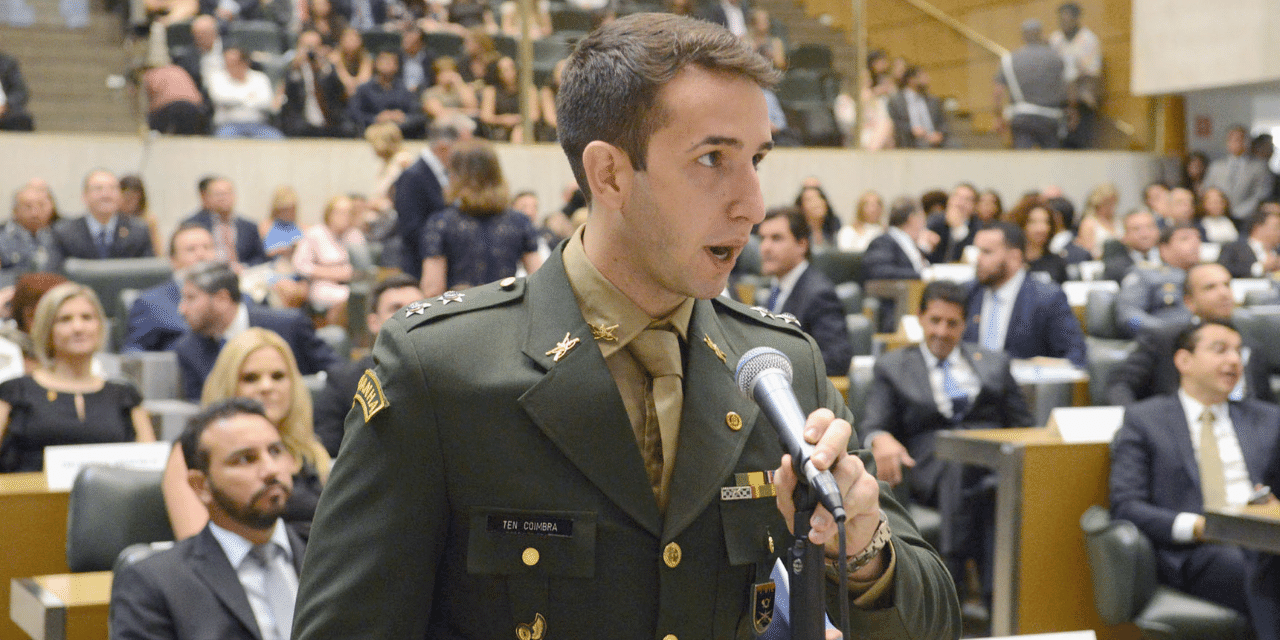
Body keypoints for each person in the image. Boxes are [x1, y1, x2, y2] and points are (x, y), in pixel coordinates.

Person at [293, 13, 960, 639]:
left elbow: (933, 618)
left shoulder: (777, 365)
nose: (753, 205)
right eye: (713, 159)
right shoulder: (443, 371)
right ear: (609, 174)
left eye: (756, 160)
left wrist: (862, 550)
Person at [860, 280, 1032, 606]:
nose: (942, 331)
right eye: (935, 320)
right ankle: (959, 585)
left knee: (992, 486)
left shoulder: (994, 363)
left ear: (965, 324)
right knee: (961, 467)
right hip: (931, 460)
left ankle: (982, 599)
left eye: (952, 323)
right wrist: (881, 439)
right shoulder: (893, 367)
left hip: (991, 457)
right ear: (920, 317)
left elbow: (1024, 424)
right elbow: (872, 424)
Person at [1109, 321, 1280, 640]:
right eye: (1220, 350)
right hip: (1195, 550)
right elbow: (1126, 506)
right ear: (1184, 360)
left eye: (1238, 351)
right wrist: (1201, 527)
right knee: (1258, 570)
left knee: (1265, 562)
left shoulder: (1269, 419)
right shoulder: (1145, 420)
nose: (1234, 360)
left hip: (1263, 538)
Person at [111, 398, 307, 640]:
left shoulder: (331, 556)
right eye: (246, 459)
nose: (271, 470)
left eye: (275, 451)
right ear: (201, 485)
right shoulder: (153, 584)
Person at [162, 328, 331, 540]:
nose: (267, 387)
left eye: (278, 376)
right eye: (251, 378)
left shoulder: (311, 449)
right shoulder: (191, 451)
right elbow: (195, 544)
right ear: (228, 385)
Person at [0, 283, 155, 472]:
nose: (78, 328)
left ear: (100, 326)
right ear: (47, 329)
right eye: (64, 319)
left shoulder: (125, 395)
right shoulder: (14, 392)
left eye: (87, 317)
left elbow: (151, 467)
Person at [1107, 263, 1275, 405]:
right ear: (1189, 302)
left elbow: (1265, 403)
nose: (1223, 293)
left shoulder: (1251, 342)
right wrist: (1143, 423)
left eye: (1227, 285)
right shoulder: (1163, 339)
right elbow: (1119, 386)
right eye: (1210, 287)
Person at [173, 261, 340, 401]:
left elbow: (338, 374)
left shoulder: (288, 325)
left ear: (222, 299)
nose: (182, 309)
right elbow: (199, 408)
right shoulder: (188, 348)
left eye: (191, 298)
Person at [313, 274, 422, 456]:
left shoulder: (450, 376)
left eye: (417, 307)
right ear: (374, 322)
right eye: (396, 308)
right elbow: (326, 453)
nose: (409, 315)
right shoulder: (342, 382)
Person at [419, 139, 542, 296]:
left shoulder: (441, 223)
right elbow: (539, 281)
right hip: (506, 306)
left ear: (456, 176)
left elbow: (433, 288)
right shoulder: (520, 221)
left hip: (462, 309)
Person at [962, 222, 1087, 367]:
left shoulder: (1047, 299)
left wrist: (1038, 367)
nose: (978, 259)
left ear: (1014, 257)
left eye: (987, 252)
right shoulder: (968, 292)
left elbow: (1075, 357)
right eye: (978, 251)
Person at [758, 207, 853, 376]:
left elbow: (836, 360)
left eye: (776, 238)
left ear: (802, 245)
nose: (765, 247)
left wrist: (774, 366)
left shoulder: (819, 294)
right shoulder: (775, 289)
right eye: (762, 239)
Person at [123, 223, 216, 353]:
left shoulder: (233, 297)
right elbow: (133, 354)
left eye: (207, 247)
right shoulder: (150, 303)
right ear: (173, 260)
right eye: (191, 249)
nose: (201, 254)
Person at [49, 170, 155, 267]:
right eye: (98, 189)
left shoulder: (138, 232)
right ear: (84, 196)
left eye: (112, 188)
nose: (106, 195)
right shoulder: (64, 233)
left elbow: (149, 274)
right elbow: (53, 274)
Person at [394, 122, 459, 279]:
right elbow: (410, 228)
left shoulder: (443, 172)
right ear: (443, 147)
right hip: (421, 267)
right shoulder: (413, 176)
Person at [1116, 223, 1202, 338]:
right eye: (1184, 239)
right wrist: (1164, 332)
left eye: (1198, 238)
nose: (1195, 244)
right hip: (1163, 339)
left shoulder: (1210, 275)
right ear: (1164, 249)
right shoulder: (1145, 274)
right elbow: (1129, 316)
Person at [994, 19, 1066, 149]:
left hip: (1022, 118)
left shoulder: (1009, 59)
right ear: (1041, 34)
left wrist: (998, 118)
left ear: (1023, 36)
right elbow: (1067, 86)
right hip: (1050, 117)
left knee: (1023, 157)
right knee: (1052, 157)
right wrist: (1072, 109)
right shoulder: (1056, 58)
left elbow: (998, 92)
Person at [864, 196, 932, 333]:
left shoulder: (910, 243)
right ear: (912, 218)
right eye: (922, 217)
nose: (924, 222)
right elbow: (880, 271)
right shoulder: (883, 241)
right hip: (894, 307)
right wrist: (921, 275)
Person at [292, 195, 357, 322]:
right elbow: (300, 265)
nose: (345, 217)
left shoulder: (354, 235)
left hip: (351, 283)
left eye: (348, 213)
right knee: (347, 297)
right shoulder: (316, 233)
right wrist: (330, 273)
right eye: (340, 212)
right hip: (322, 284)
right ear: (329, 213)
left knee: (362, 296)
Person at [184, 176, 268, 269]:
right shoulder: (193, 226)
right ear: (207, 198)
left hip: (244, 273)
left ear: (234, 196)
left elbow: (261, 257)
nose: (223, 198)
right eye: (218, 194)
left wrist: (244, 267)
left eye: (227, 193)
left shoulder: (249, 226)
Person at [280, 30, 350, 138]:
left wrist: (327, 67)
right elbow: (290, 96)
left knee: (348, 128)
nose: (311, 51)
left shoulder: (328, 69)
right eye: (307, 47)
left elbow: (340, 94)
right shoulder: (295, 70)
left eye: (315, 46)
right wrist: (296, 68)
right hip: (302, 124)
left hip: (330, 123)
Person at [1050, 2, 1101, 149]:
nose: (1064, 23)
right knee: (1060, 145)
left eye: (1068, 20)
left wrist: (1071, 83)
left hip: (1081, 101)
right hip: (1060, 102)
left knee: (1079, 144)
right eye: (1061, 20)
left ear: (1076, 19)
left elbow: (1092, 73)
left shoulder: (1088, 39)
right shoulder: (1055, 39)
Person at [207, 48, 284, 140]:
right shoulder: (217, 77)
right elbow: (219, 98)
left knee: (278, 139)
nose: (228, 66)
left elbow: (267, 102)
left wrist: (236, 100)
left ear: (244, 63)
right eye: (226, 62)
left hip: (258, 125)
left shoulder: (260, 78)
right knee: (222, 139)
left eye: (233, 63)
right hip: (228, 125)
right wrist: (250, 98)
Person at [348, 50, 427, 139]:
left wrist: (403, 117)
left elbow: (417, 114)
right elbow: (354, 113)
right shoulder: (364, 89)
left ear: (397, 66)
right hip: (371, 131)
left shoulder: (404, 89)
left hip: (401, 131)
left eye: (390, 61)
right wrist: (376, 118)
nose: (387, 64)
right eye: (384, 60)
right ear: (376, 64)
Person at [1203, 125, 1274, 224]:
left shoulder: (1259, 167)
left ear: (1247, 142)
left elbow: (1260, 195)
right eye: (1231, 139)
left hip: (1246, 219)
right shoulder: (1216, 166)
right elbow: (1208, 190)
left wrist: (1238, 213)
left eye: (1240, 139)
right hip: (1218, 219)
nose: (1236, 143)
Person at [0, 183, 58, 281]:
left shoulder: (59, 235)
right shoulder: (3, 238)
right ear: (15, 210)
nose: (35, 213)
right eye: (28, 207)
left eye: (41, 206)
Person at [479, 56, 537, 143]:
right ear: (498, 73)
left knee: (519, 131)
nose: (509, 72)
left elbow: (534, 115)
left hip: (524, 126)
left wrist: (516, 119)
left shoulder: (529, 89)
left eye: (511, 68)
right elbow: (486, 116)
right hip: (498, 128)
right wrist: (503, 119)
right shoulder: (491, 91)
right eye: (504, 70)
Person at [887, 66, 947, 149]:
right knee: (923, 145)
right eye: (923, 76)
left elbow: (943, 122)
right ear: (911, 80)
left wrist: (940, 134)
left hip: (935, 137)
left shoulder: (933, 100)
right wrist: (912, 130)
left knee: (955, 144)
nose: (927, 79)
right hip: (911, 138)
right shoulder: (896, 101)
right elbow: (895, 123)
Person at [1010, 200, 1068, 284]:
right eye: (1033, 222)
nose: (1041, 228)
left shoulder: (1057, 262)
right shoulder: (1011, 262)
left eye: (1046, 222)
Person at [1219, 206, 1280, 278]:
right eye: (1277, 227)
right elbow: (1222, 270)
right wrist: (1261, 268)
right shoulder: (1233, 248)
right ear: (1258, 228)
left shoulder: (1277, 251)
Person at [1102, 208, 1161, 283]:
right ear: (1124, 236)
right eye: (1136, 229)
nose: (1145, 234)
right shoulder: (1115, 268)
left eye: (1150, 227)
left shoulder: (1170, 259)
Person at [925, 183, 978, 264]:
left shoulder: (978, 227)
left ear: (974, 206)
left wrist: (959, 229)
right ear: (949, 200)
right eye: (957, 197)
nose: (961, 203)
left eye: (967, 199)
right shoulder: (935, 220)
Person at [119, 174, 163, 255]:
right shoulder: (113, 221)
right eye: (127, 199)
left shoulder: (148, 220)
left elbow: (158, 251)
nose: (131, 203)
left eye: (134, 198)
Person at [1075, 183, 1121, 258]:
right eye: (1107, 203)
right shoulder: (1088, 223)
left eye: (1113, 202)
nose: (1111, 206)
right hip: (1100, 261)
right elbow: (1087, 250)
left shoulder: (1118, 220)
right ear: (1098, 203)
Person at [794, 184, 841, 250]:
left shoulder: (834, 226)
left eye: (819, 197)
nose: (817, 202)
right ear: (801, 207)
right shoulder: (797, 233)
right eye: (809, 199)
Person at [330, 27, 372, 100]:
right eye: (348, 39)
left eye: (354, 39)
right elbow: (345, 81)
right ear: (341, 41)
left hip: (359, 95)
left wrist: (354, 87)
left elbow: (363, 80)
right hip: (338, 95)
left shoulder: (365, 57)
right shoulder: (334, 57)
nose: (351, 42)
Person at [0, 51, 35, 131]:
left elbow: (20, 91)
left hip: (4, 112)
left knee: (23, 121)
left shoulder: (7, 63)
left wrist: (6, 106)